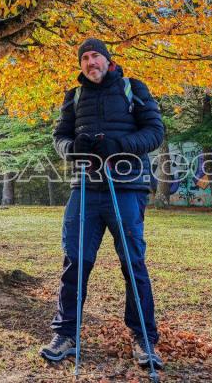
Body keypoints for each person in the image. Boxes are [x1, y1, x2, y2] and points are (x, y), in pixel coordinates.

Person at [40, 38, 165, 370]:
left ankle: (144, 338)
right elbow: (60, 138)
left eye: (95, 56)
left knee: (132, 263)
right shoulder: (75, 96)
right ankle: (65, 335)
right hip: (85, 190)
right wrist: (74, 148)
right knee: (75, 263)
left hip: (127, 188)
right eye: (84, 58)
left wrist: (118, 144)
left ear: (108, 60)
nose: (90, 61)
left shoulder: (132, 88)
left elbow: (155, 132)